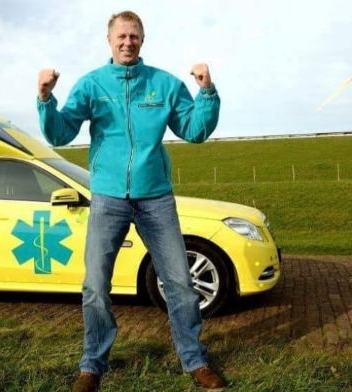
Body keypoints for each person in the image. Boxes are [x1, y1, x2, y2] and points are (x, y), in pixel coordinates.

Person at [36, 10, 224, 392]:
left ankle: (195, 361)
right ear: (109, 41)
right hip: (107, 198)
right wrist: (45, 98)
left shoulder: (164, 85)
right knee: (95, 286)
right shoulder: (91, 85)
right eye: (121, 36)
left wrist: (207, 92)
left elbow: (195, 130)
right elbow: (60, 133)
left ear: (142, 40)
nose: (128, 42)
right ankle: (91, 366)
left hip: (155, 197)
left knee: (180, 284)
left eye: (134, 36)